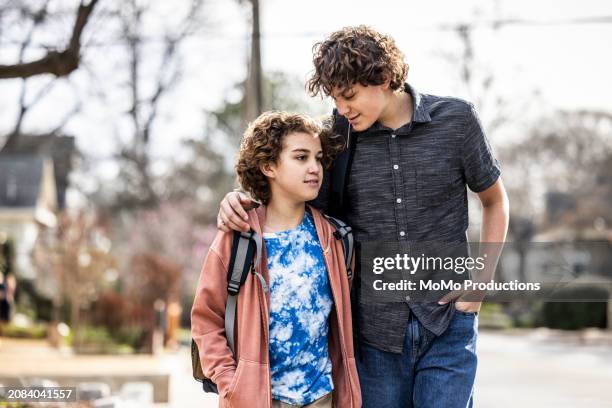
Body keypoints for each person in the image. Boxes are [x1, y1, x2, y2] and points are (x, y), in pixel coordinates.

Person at [217, 26, 509, 408]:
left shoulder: (456, 121)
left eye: (349, 96)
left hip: (448, 325)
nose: (342, 109)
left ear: (384, 79)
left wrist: (481, 283)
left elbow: (495, 201)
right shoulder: (336, 138)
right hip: (373, 337)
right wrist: (239, 200)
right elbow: (292, 198)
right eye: (336, 99)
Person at [191, 111, 361, 408]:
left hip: (321, 396)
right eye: (301, 157)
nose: (315, 168)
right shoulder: (237, 239)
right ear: (269, 165)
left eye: (318, 158)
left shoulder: (334, 239)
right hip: (256, 399)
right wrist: (231, 384)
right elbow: (206, 321)